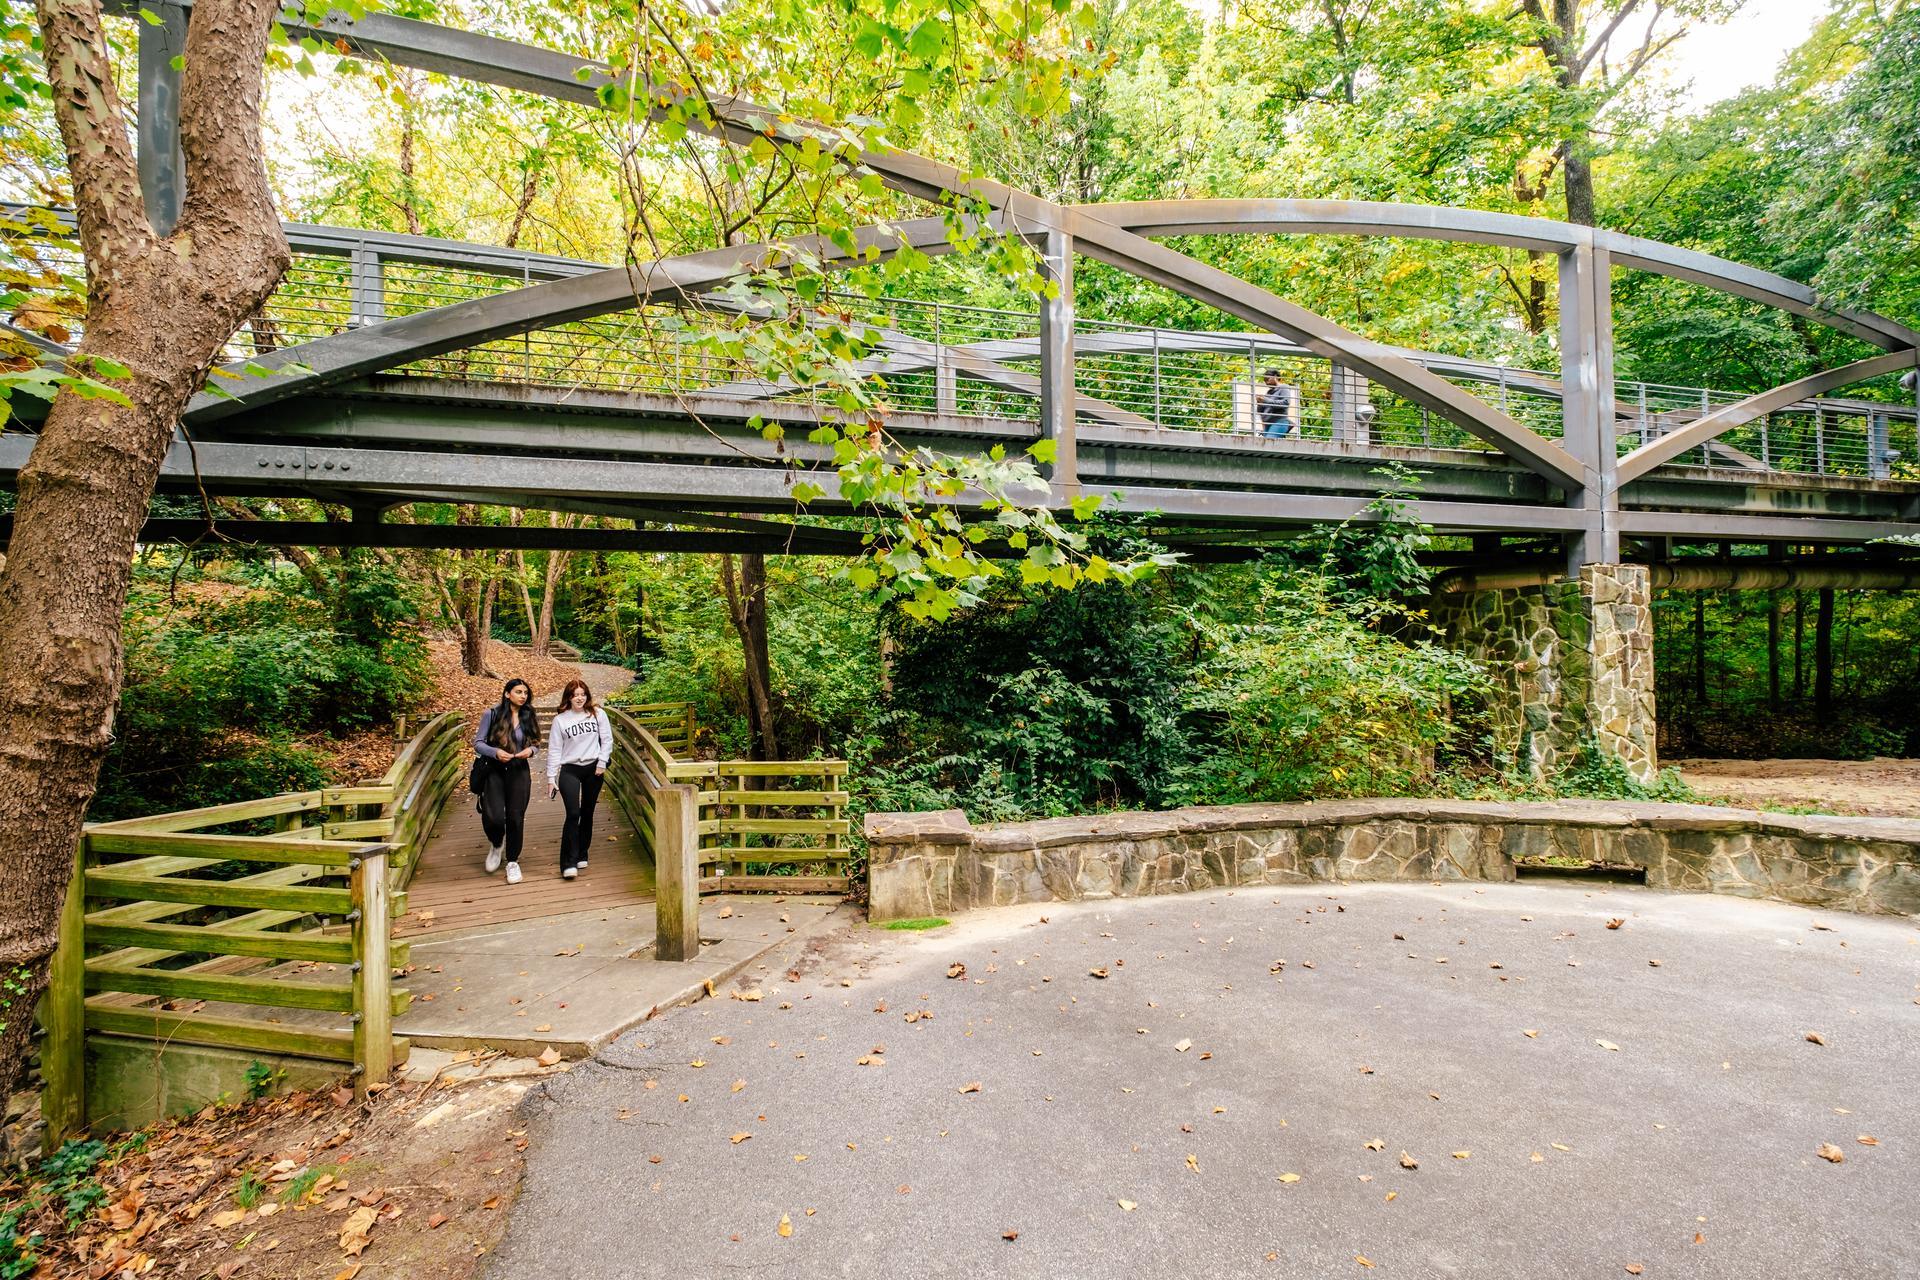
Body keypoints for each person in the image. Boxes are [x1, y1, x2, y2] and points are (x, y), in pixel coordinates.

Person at [474, 677, 540, 885]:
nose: (523, 696)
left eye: (525, 693)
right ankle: (496, 843)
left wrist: (529, 751)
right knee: (492, 816)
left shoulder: (529, 715)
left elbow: (536, 743)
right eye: (519, 692)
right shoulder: (491, 714)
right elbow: (478, 743)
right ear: (507, 694)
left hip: (519, 770)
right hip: (494, 769)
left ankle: (512, 861)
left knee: (515, 817)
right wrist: (495, 752)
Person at [546, 679, 613, 881]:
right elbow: (555, 750)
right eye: (575, 694)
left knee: (587, 812)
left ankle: (583, 852)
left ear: (587, 695)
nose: (579, 698)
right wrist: (551, 777)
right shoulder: (561, 720)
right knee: (573, 813)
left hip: (594, 768)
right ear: (569, 697)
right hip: (570, 770)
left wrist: (602, 762)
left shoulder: (598, 714)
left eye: (583, 694)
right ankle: (568, 862)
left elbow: (607, 739)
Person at [1256, 367, 1299, 438]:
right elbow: (1260, 411)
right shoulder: (1269, 393)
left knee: (1269, 443)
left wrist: (1265, 400)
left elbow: (1285, 403)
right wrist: (1259, 403)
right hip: (1267, 425)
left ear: (1275, 376)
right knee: (1266, 445)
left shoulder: (1283, 387)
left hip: (1278, 422)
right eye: (1264, 380)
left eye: (1267, 379)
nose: (1266, 382)